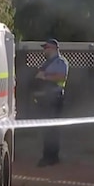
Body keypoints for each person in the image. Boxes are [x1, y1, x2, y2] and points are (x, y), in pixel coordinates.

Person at [33, 39, 69, 167]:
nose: (44, 50)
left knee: (52, 129)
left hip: (55, 98)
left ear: (54, 48)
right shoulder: (46, 63)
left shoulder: (60, 62)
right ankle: (48, 155)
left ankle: (51, 157)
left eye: (46, 47)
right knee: (47, 129)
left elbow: (61, 77)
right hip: (46, 99)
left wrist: (45, 77)